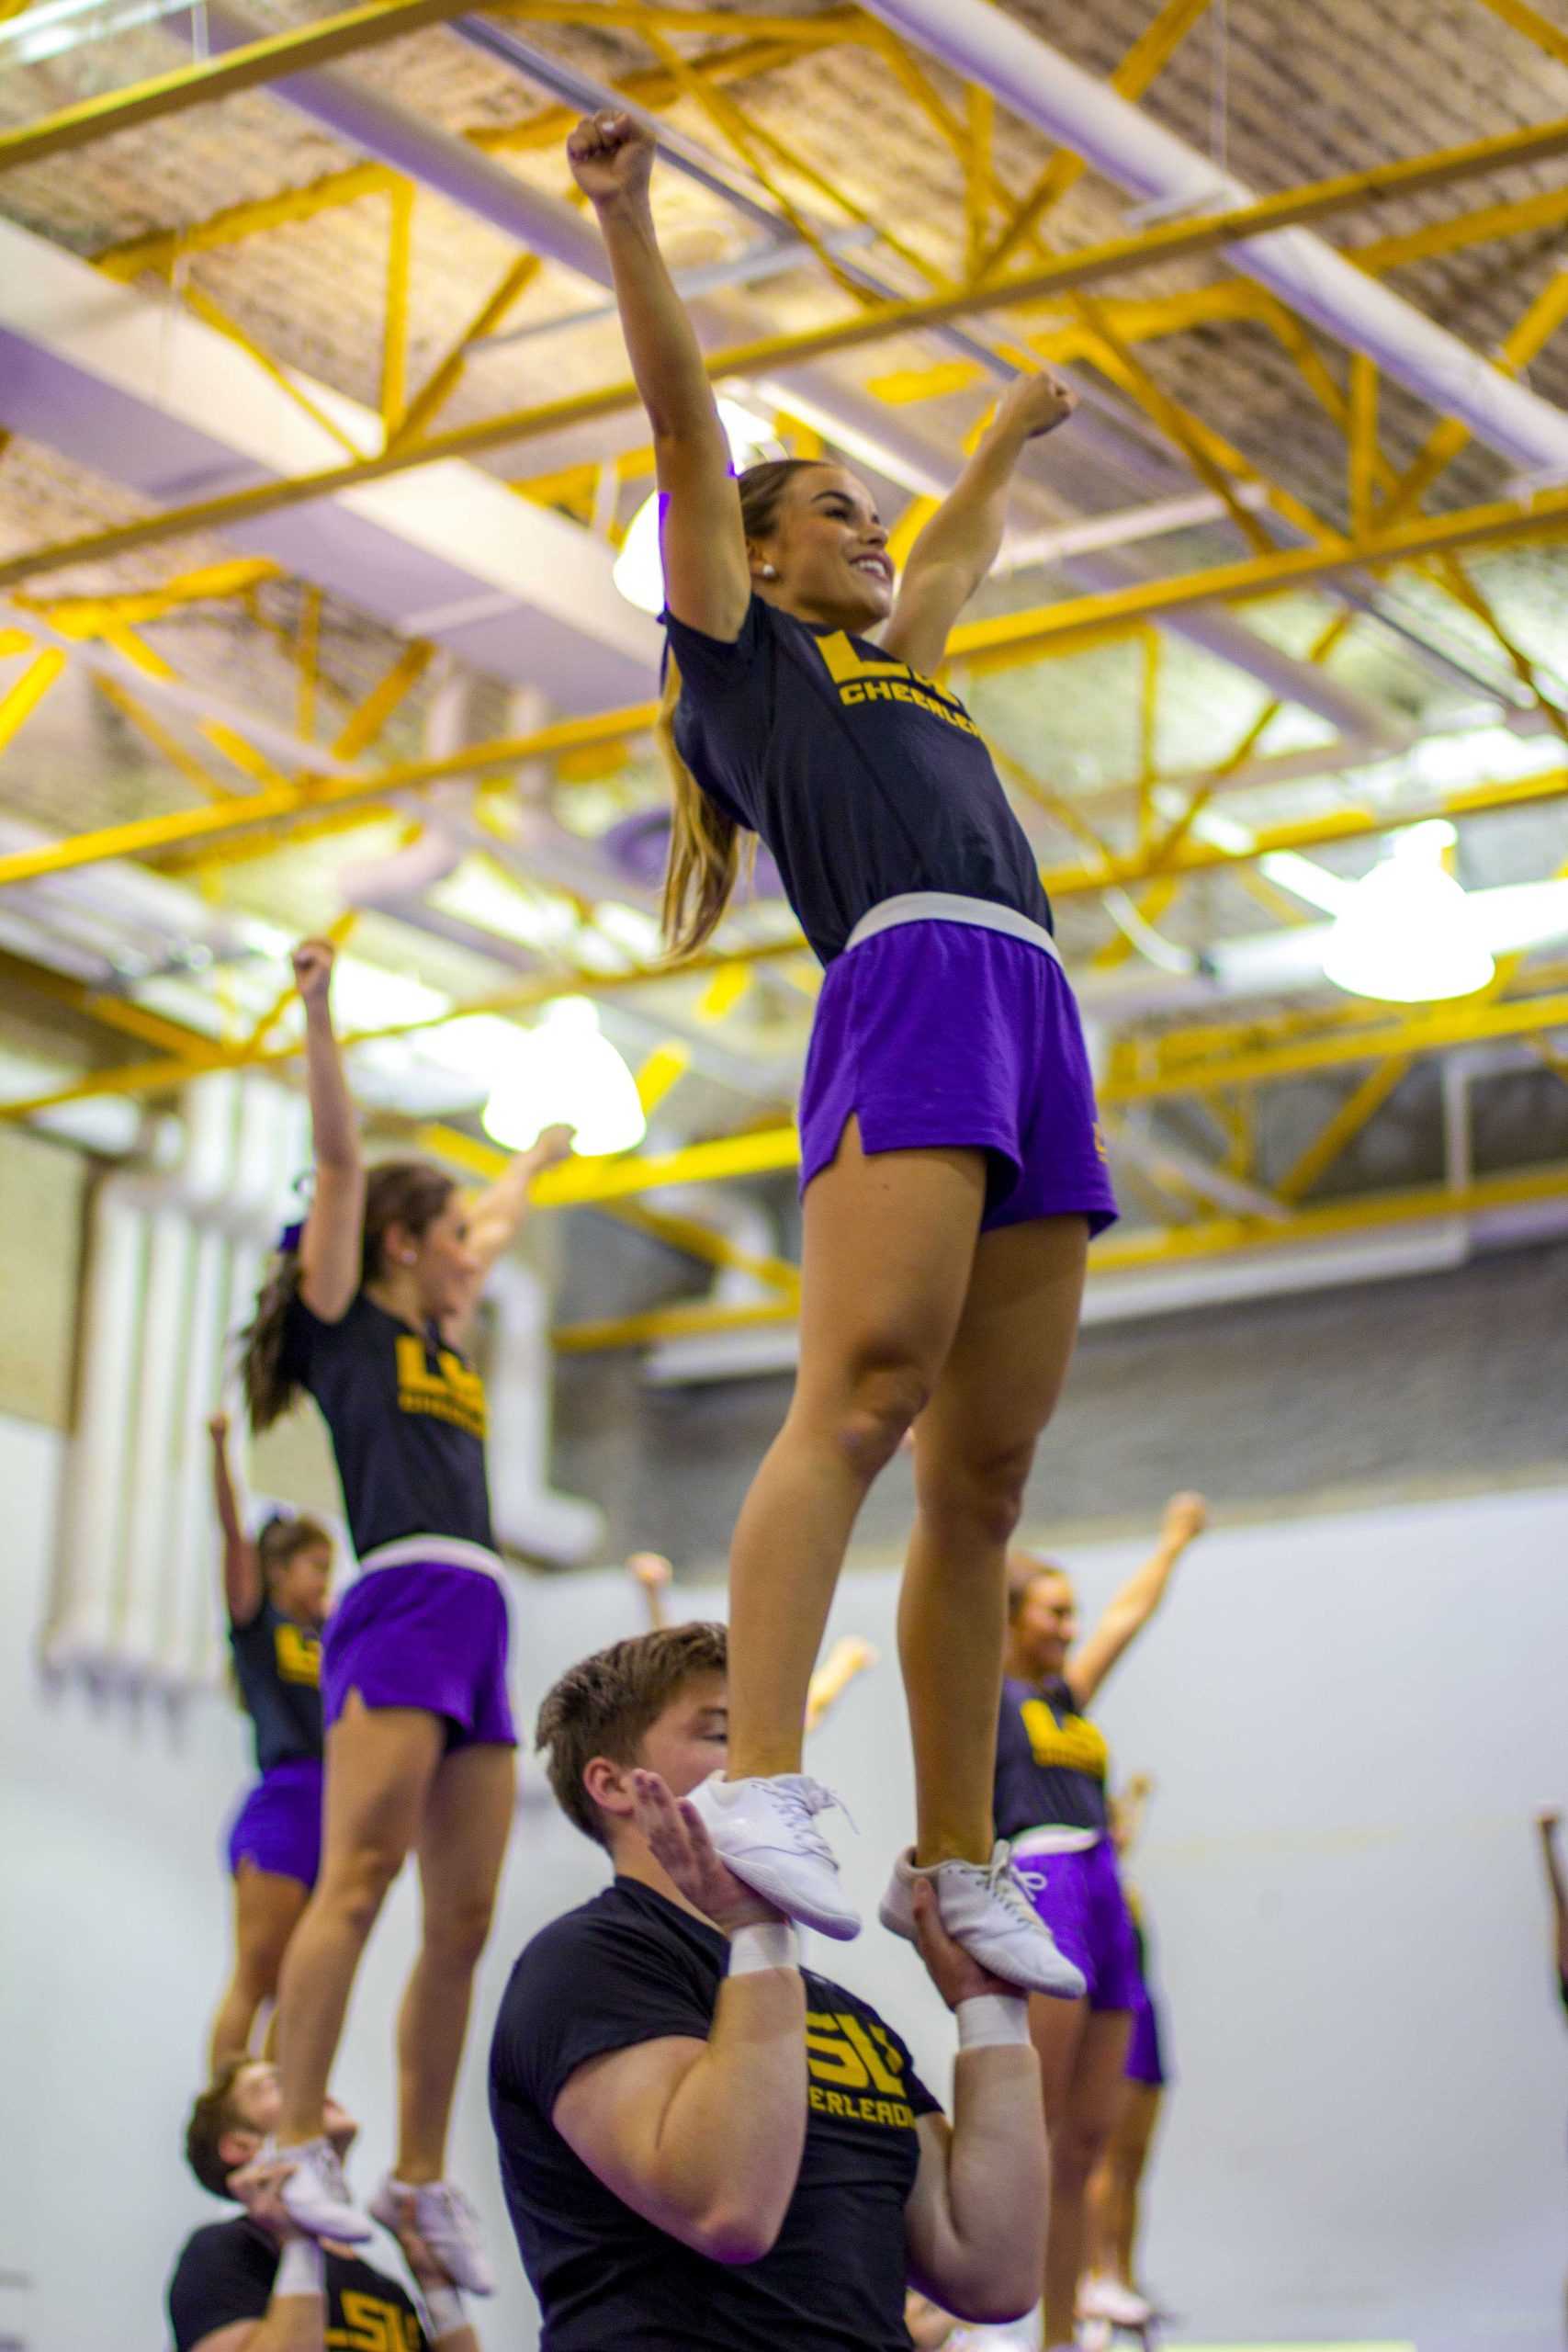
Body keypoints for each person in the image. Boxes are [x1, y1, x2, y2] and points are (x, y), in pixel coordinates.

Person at [568, 106, 1116, 1994]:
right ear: (753, 556)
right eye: (836, 513)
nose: (872, 533)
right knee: (863, 1397)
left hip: (1029, 999)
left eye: (871, 515)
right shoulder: (747, 664)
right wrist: (629, 219)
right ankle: (769, 1780)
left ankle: (953, 1857)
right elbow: (681, 428)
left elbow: (951, 543)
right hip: (906, 989)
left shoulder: (907, 661)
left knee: (985, 1473)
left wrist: (998, 437)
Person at [233, 935, 570, 2285]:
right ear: (393, 1246)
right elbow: (335, 1163)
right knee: (358, 1876)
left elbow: (487, 1226)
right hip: (397, 1594)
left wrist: (534, 1162)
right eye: (450, 1247)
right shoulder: (347, 1319)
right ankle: (303, 2131)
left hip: (480, 1610)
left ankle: (419, 2171)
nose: (474, 1264)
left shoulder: (441, 1323)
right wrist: (319, 1012)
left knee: (464, 1919)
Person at [490, 1622, 1049, 2351]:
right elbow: (726, 2208)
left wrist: (989, 2010)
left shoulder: (838, 2015)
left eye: (773, 1746)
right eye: (723, 1735)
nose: (763, 1772)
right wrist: (757, 1932)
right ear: (613, 1783)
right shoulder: (587, 1963)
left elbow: (989, 2276)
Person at [998, 1494, 1208, 2352]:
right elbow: (960, 1567)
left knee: (1086, 2139)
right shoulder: (984, 1695)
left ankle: (1062, 2332)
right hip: (1041, 1878)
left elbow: (1124, 1618)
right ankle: (990, 2320)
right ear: (1005, 1616)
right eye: (1051, 1611)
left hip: (1104, 1887)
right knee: (1037, 2128)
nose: (1068, 1626)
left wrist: (1170, 1544)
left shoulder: (1069, 1702)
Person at [172, 2057, 479, 2352]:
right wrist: (298, 2243)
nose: (310, 2091)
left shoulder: (385, 2288)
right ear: (241, 2145)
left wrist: (434, 2285)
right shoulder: (226, 2250)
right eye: (278, 2085)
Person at [207, 1410, 334, 2073]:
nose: (325, 1581)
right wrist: (221, 1447)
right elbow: (231, 1534)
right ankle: (228, 2105)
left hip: (335, 1816)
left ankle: (281, 2112)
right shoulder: (260, 1625)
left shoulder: (333, 1638)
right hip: (285, 1803)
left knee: (300, 1985)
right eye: (316, 1566)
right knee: (257, 1975)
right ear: (280, 1570)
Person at [1082, 1772, 1168, 2335]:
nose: (1122, 1832)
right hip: (1106, 2025)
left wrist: (1134, 1799)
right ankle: (1092, 2274)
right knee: (1100, 2158)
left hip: (1145, 2024)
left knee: (1134, 2161)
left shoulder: (1125, 1886)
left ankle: (1126, 2274)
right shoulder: (1091, 1886)